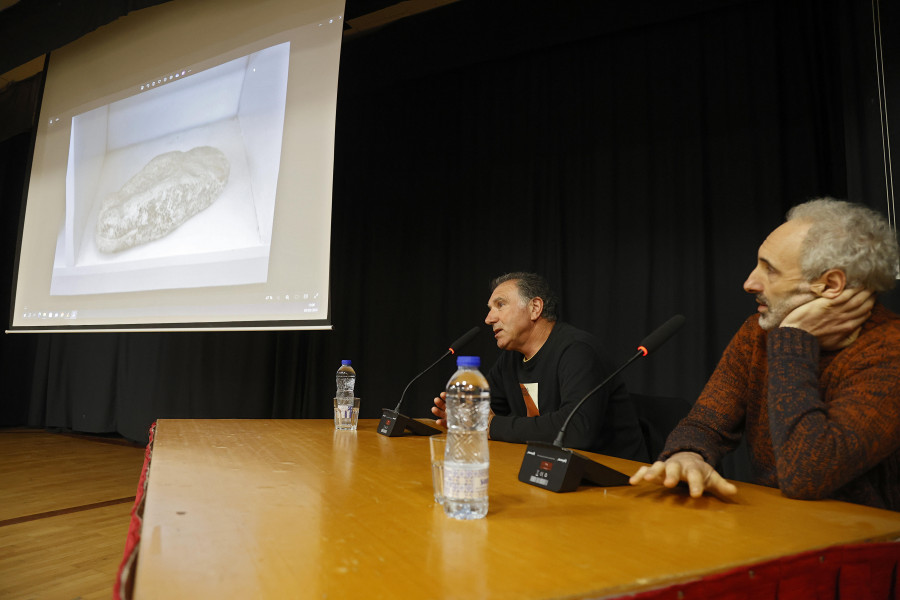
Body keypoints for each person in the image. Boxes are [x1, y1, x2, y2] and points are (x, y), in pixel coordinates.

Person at [630, 198, 900, 511]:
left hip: (865, 543)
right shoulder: (758, 333)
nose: (749, 283)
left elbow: (807, 474)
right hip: (777, 525)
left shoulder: (890, 350)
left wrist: (793, 340)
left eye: (770, 271)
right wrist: (688, 455)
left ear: (830, 285)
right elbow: (705, 424)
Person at [432, 272, 648, 461]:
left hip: (616, 477)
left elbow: (576, 429)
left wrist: (493, 426)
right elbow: (483, 412)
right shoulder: (510, 359)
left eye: (500, 305)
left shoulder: (578, 350)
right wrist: (462, 415)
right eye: (490, 309)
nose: (489, 319)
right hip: (552, 470)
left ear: (535, 308)